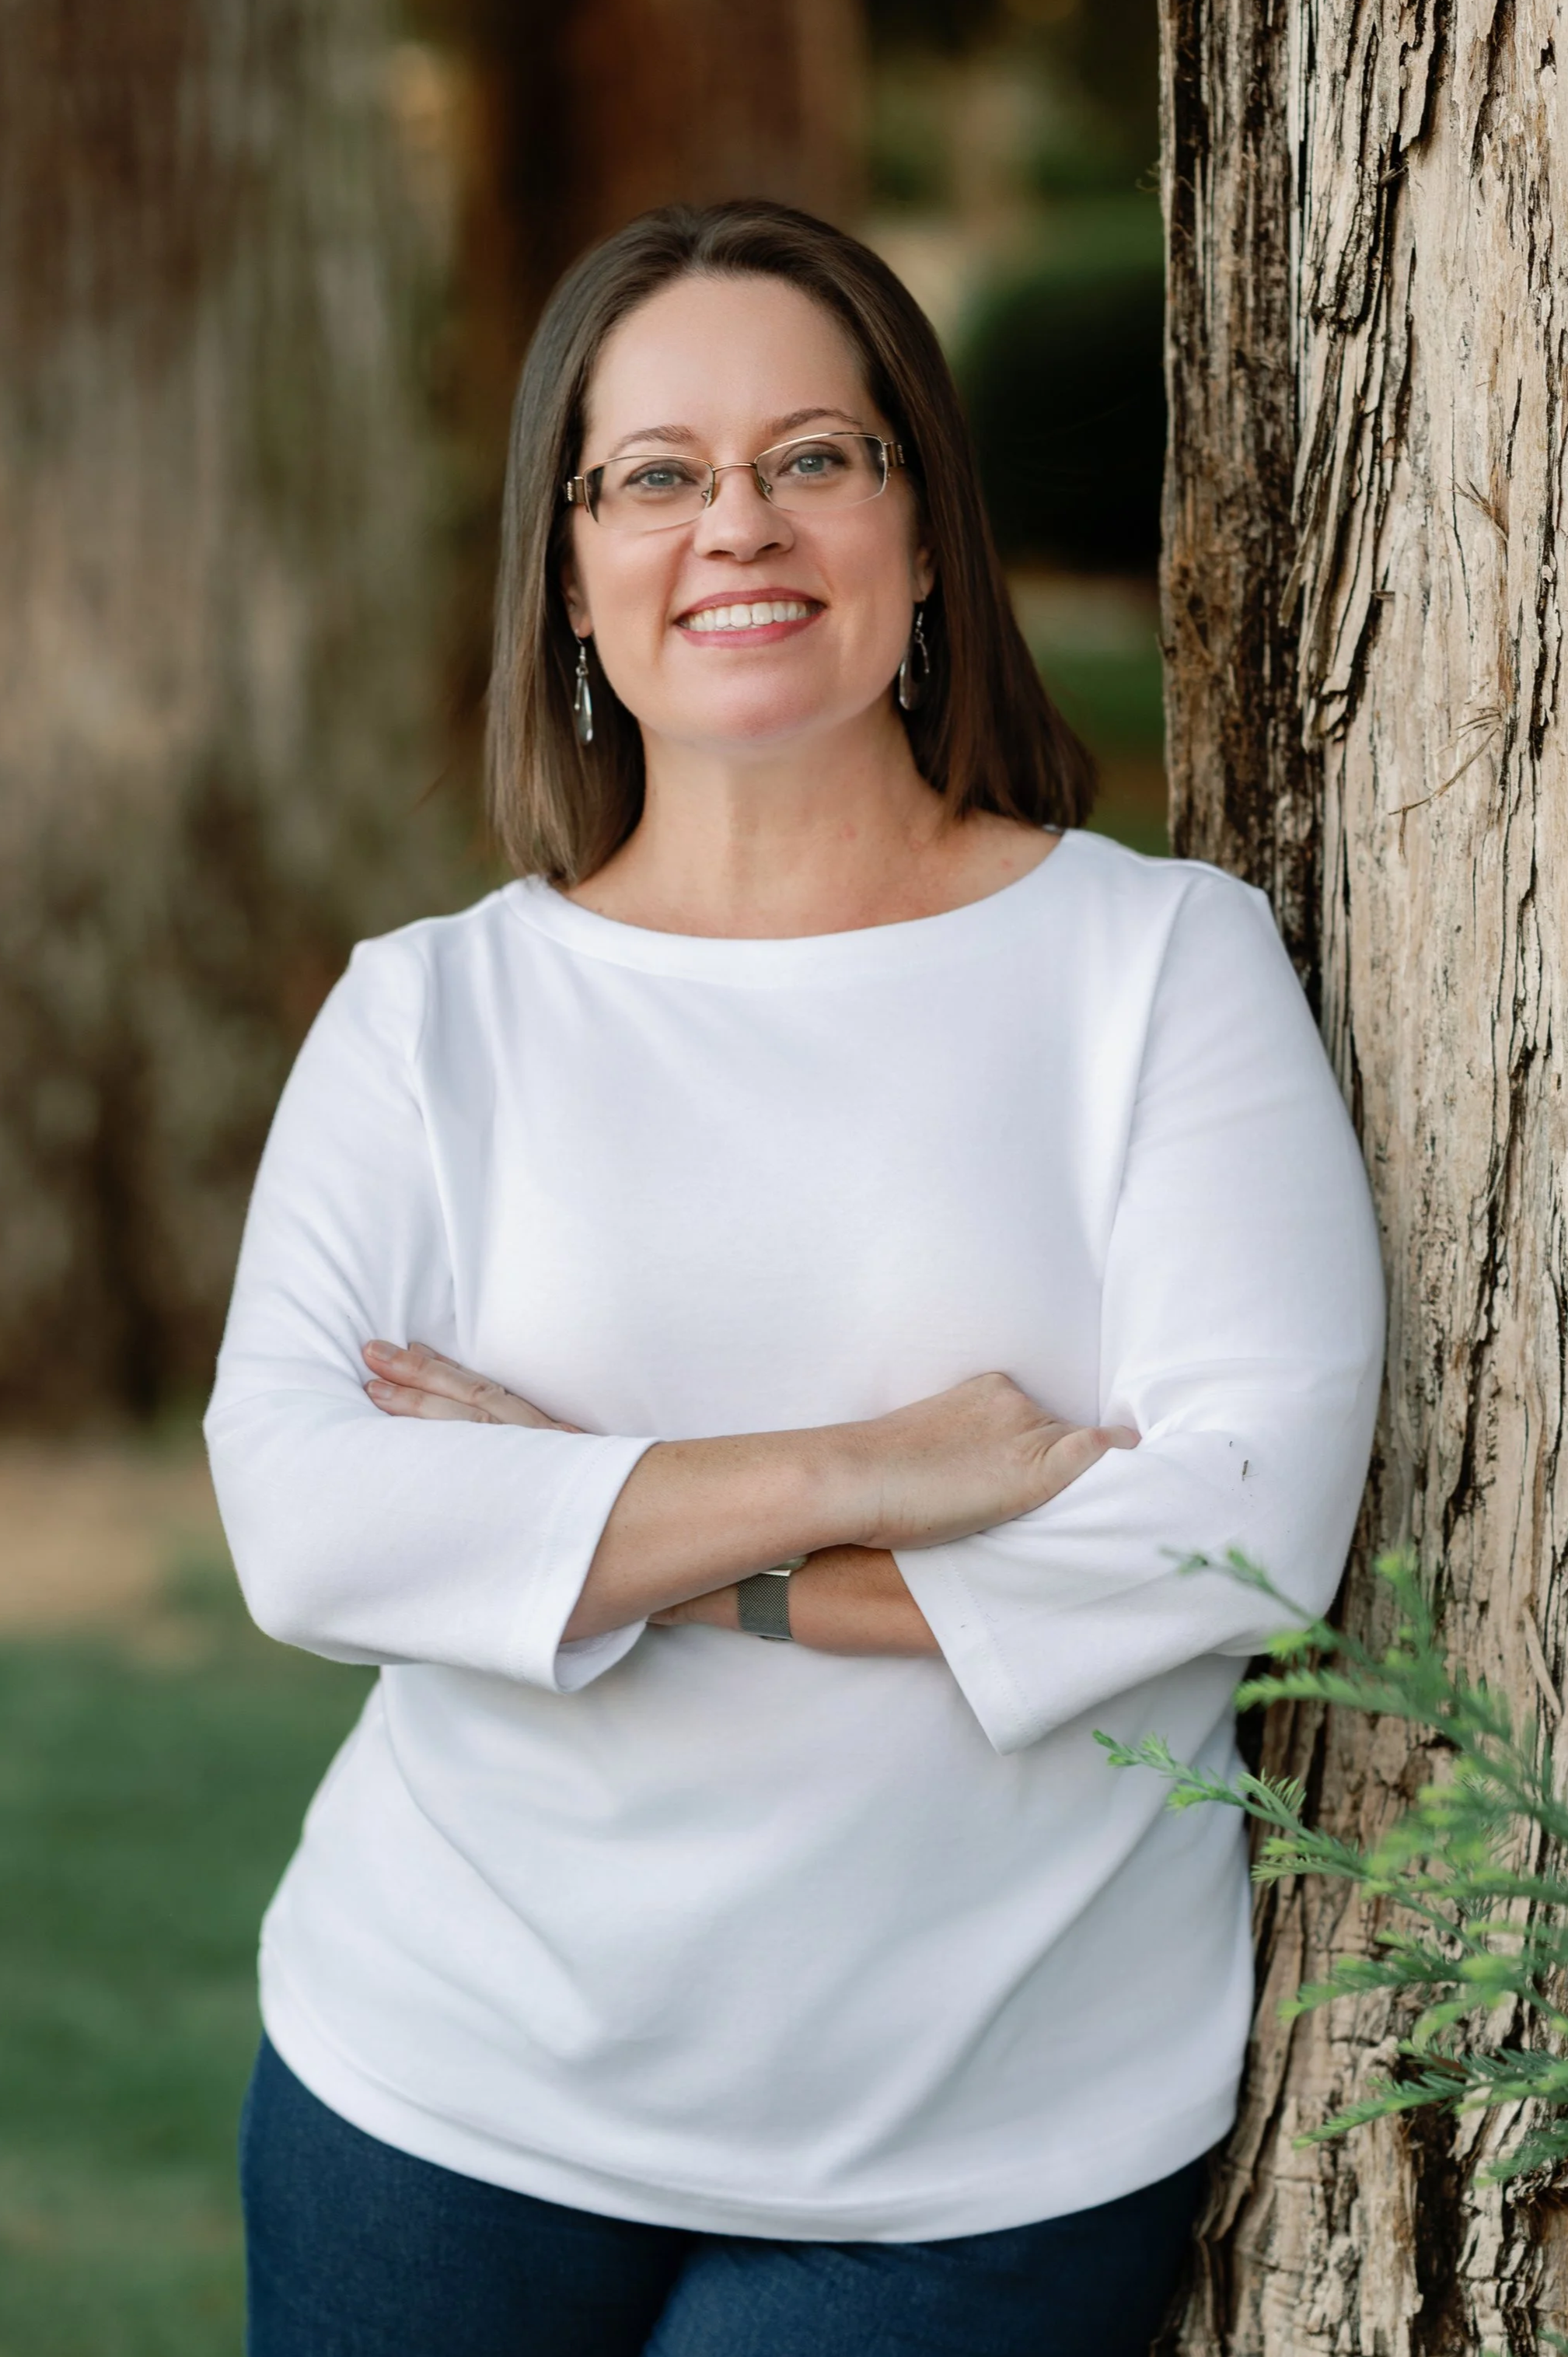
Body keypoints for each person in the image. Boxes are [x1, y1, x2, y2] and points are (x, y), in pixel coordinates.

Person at [206, 200, 1385, 2357]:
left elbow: (1238, 1530)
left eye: (813, 456)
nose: (733, 522)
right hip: (437, 2092)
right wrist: (890, 1465)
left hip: (974, 2154)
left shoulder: (1156, 969)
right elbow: (310, 1518)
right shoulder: (431, 1014)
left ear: (926, 532)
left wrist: (601, 1521)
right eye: (652, 472)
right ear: (570, 577)